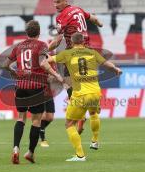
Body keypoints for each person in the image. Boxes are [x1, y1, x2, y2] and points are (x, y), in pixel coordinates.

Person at [41, 32, 122, 161]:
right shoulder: (92, 52)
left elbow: (45, 62)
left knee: (69, 124)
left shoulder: (67, 54)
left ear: (72, 42)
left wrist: (54, 73)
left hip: (80, 94)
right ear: (83, 42)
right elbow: (107, 64)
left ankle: (80, 155)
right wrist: (116, 69)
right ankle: (95, 140)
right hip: (95, 92)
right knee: (94, 113)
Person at [4, 20, 62, 164]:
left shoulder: (18, 46)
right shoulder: (41, 45)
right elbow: (43, 62)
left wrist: (13, 71)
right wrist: (56, 75)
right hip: (37, 86)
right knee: (36, 120)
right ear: (38, 32)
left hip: (21, 86)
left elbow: (5, 65)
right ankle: (30, 152)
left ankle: (16, 148)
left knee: (20, 118)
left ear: (26, 32)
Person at [48, 0, 103, 134]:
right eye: (54, 2)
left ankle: (80, 114)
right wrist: (100, 23)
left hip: (74, 53)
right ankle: (92, 107)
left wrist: (45, 50)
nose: (55, 5)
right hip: (88, 52)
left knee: (67, 82)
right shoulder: (78, 9)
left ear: (66, 0)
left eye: (58, 2)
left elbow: (58, 40)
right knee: (88, 81)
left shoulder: (62, 16)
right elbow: (94, 19)